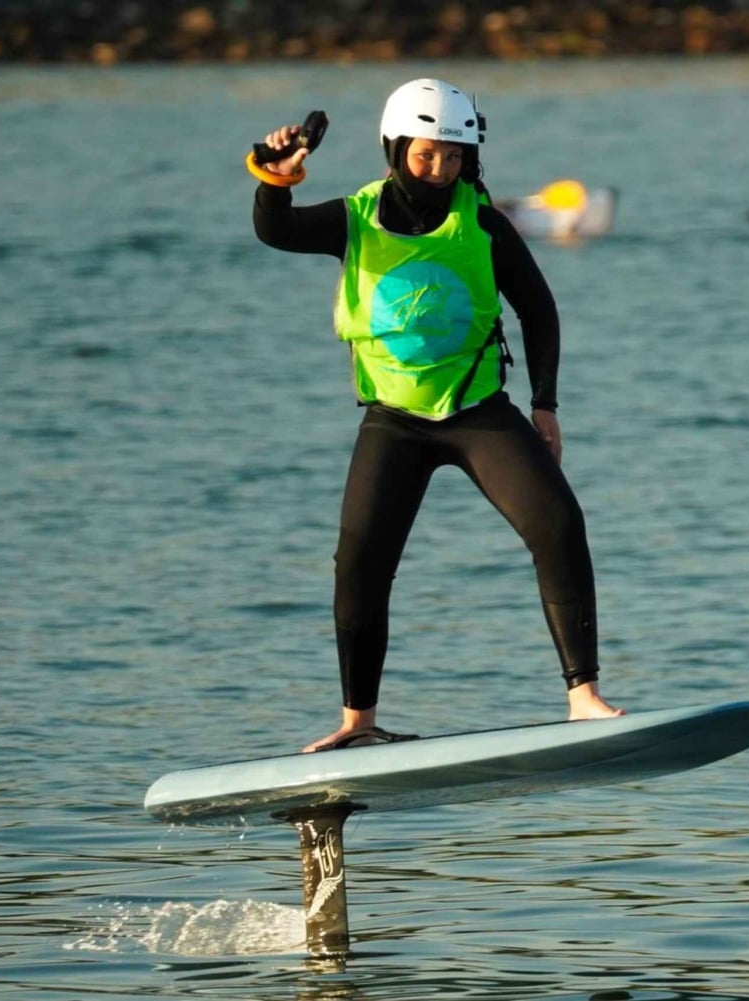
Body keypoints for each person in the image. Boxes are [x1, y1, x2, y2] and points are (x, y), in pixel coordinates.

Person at [249, 78, 625, 753]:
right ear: (395, 150)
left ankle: (584, 698)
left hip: (478, 412)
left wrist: (545, 402)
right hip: (393, 420)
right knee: (359, 561)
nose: (439, 169)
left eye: (454, 157)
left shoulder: (484, 224)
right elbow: (275, 230)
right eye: (426, 155)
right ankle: (358, 723)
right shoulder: (355, 218)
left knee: (559, 524)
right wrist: (275, 179)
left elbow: (538, 310)